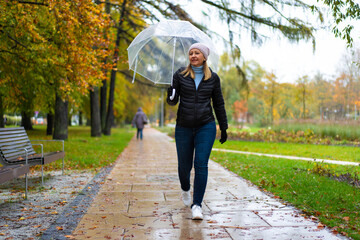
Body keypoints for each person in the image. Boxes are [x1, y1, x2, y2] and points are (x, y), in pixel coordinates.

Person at [167, 42, 228, 220]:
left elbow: (219, 103)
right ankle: (185, 188)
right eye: (191, 53)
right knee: (184, 167)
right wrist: (170, 93)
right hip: (183, 127)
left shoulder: (213, 78)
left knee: (201, 164)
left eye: (197, 53)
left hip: (205, 126)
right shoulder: (180, 74)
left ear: (204, 57)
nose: (193, 56)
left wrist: (223, 127)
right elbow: (172, 101)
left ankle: (197, 205)